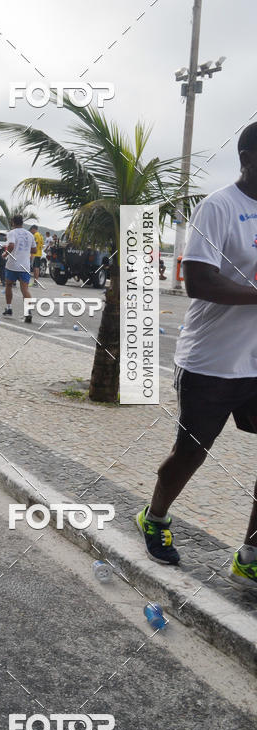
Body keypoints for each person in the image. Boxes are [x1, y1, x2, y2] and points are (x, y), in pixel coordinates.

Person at [136, 121, 257, 586]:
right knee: (191, 452)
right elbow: (198, 280)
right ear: (248, 159)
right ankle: (155, 515)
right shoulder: (220, 207)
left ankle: (250, 555)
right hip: (212, 361)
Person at [2, 215, 36, 323]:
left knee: (8, 285)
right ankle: (28, 312)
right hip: (25, 265)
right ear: (22, 222)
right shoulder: (30, 234)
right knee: (25, 289)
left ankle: (9, 308)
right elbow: (34, 250)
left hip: (13, 265)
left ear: (13, 222)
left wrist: (5, 254)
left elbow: (11, 245)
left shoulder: (12, 232)